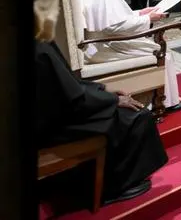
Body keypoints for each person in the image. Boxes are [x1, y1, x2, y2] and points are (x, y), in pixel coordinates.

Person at [36, 41, 168, 205]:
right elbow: (75, 99)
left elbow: (68, 86)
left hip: (51, 116)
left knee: (122, 113)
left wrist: (102, 91)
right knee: (137, 116)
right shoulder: (39, 47)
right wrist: (113, 100)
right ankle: (114, 187)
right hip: (53, 126)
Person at [81, 0, 181, 112]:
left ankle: (164, 98)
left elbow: (116, 19)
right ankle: (164, 102)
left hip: (106, 41)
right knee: (163, 53)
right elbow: (115, 28)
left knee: (159, 49)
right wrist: (148, 18)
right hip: (108, 45)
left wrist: (141, 13)